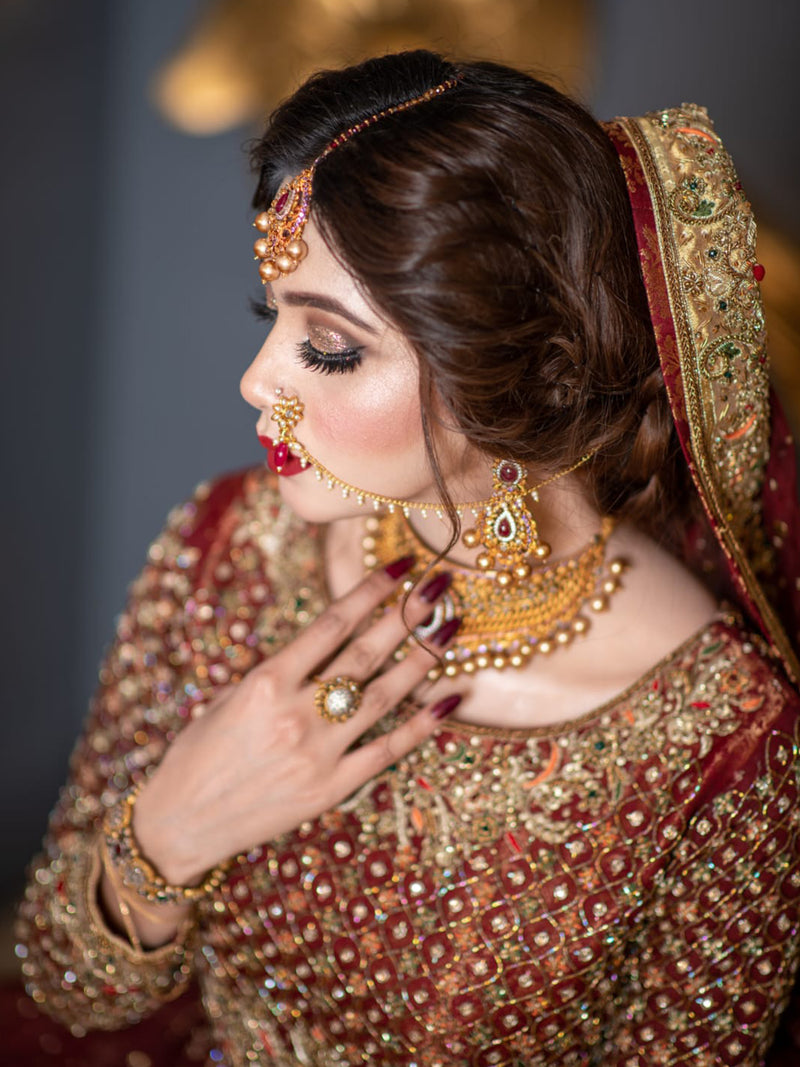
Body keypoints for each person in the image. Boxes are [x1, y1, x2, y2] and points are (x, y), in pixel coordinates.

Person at [16, 50, 800, 1067]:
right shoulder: (231, 546)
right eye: (273, 319)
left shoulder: (722, 739)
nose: (258, 381)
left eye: (331, 348)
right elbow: (58, 981)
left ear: (522, 375)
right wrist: (165, 837)